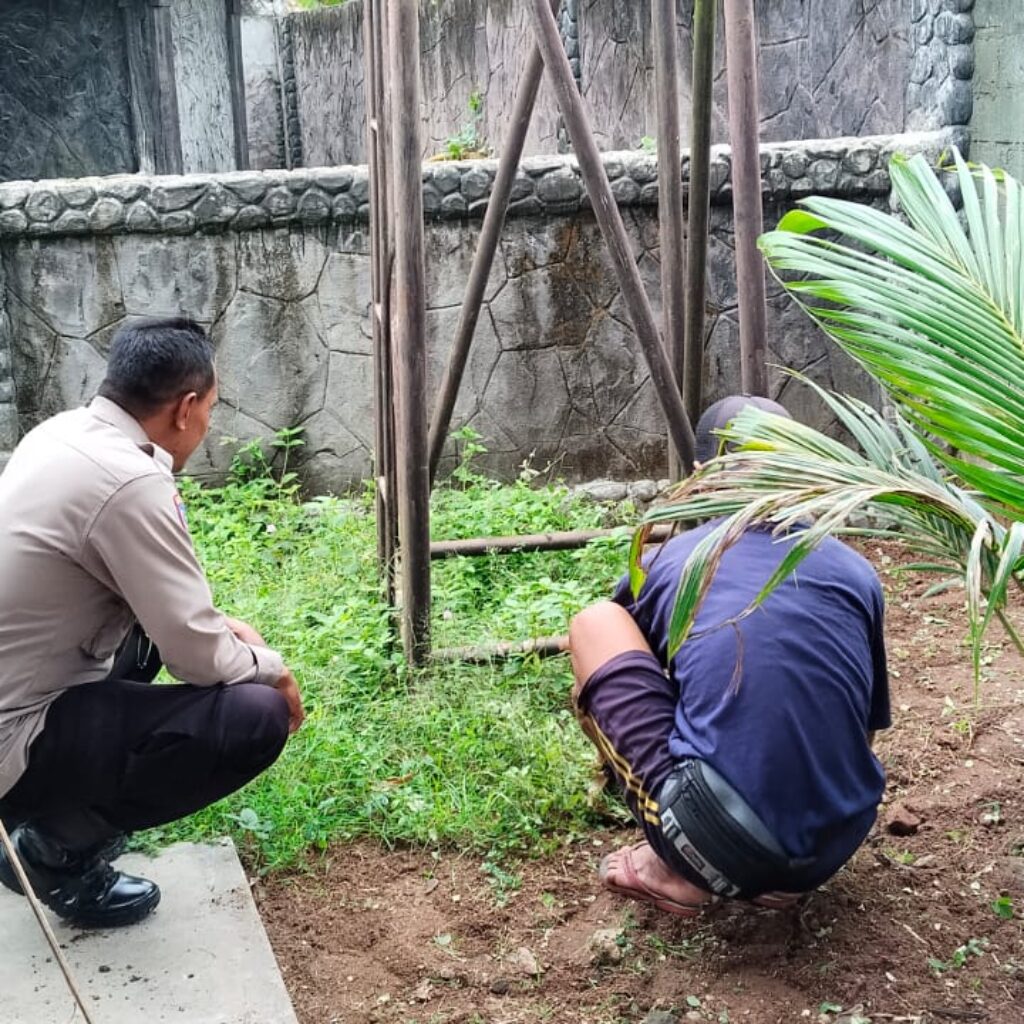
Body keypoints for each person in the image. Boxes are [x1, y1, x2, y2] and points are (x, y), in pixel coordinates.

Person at [0, 317, 304, 929]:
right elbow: (198, 657)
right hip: (13, 733)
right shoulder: (131, 481)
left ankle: (47, 822)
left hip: (19, 683)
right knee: (254, 716)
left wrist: (221, 627)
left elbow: (175, 614)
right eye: (212, 409)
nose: (209, 425)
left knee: (161, 639)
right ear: (186, 408)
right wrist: (275, 672)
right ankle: (55, 846)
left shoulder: (61, 434)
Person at [568, 395, 890, 916]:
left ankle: (674, 864)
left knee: (595, 624)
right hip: (836, 842)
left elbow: (627, 670)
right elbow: (867, 727)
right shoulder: (856, 572)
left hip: (727, 841)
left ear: (703, 475)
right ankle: (775, 859)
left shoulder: (676, 560)